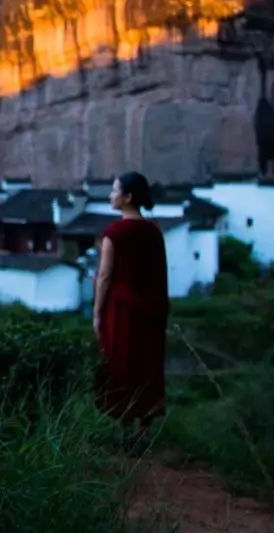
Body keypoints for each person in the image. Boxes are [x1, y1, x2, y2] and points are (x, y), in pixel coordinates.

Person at [93, 171, 169, 433]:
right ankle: (144, 430)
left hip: (121, 310)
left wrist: (97, 313)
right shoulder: (153, 232)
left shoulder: (114, 233)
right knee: (146, 363)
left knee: (121, 362)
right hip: (151, 311)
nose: (111, 196)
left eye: (115, 191)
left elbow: (104, 276)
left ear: (127, 197)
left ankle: (124, 428)